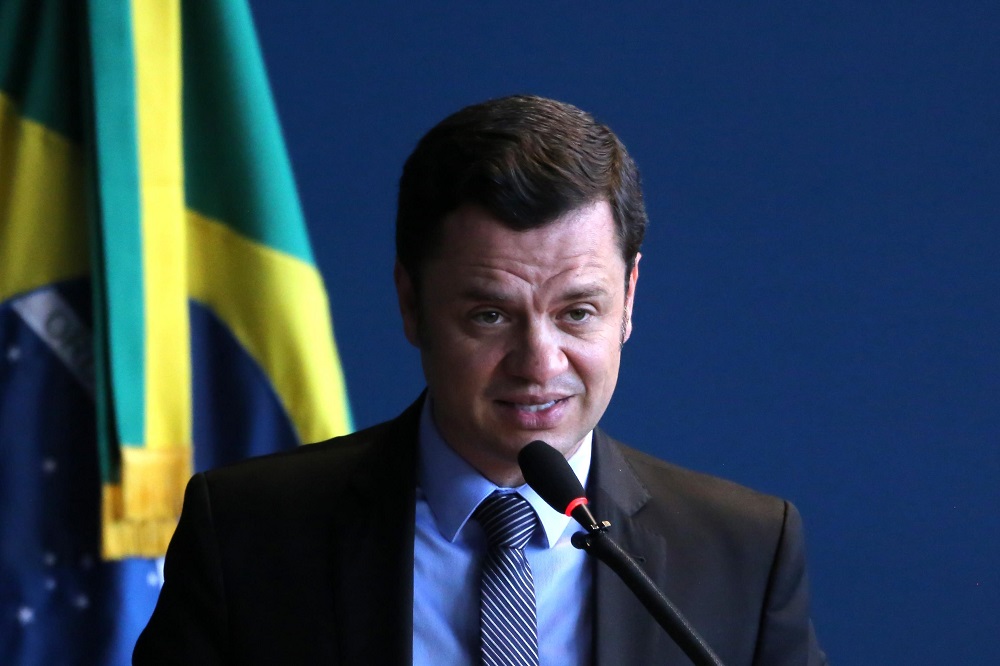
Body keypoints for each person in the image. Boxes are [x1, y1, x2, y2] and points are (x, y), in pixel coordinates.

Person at [134, 94, 828, 665]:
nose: (540, 364)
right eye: (490, 315)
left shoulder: (743, 549)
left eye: (577, 312)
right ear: (411, 303)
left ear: (629, 299)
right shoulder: (250, 533)